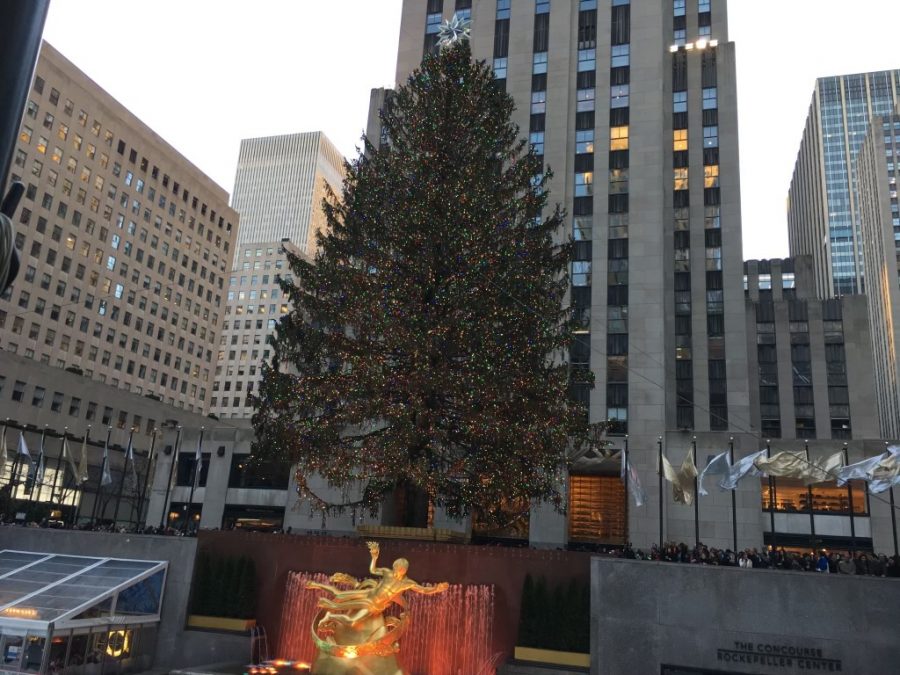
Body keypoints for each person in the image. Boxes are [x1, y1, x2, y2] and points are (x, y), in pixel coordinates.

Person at [307, 541, 449, 630]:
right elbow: (373, 570)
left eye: (398, 569)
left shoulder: (407, 583)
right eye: (395, 568)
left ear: (403, 569)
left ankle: (330, 617)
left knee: (351, 622)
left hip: (374, 605)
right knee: (339, 595)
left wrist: (436, 589)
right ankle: (316, 584)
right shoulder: (387, 573)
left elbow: (423, 590)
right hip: (369, 594)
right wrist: (374, 558)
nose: (395, 571)